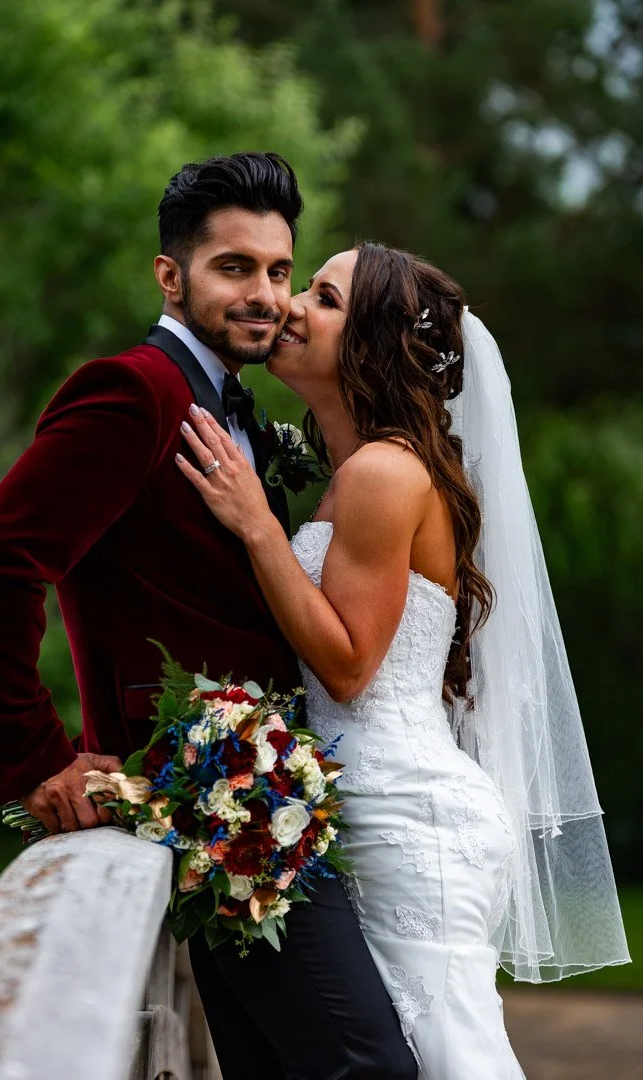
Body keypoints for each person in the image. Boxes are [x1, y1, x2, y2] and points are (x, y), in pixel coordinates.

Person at [0, 156, 418, 1080]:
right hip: (212, 797)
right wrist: (35, 762)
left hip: (257, 799)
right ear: (171, 275)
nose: (265, 296)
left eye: (278, 271)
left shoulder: (233, 408)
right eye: (233, 268)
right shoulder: (135, 392)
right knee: (369, 1067)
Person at [177, 241, 631, 1078]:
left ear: (375, 344)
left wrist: (257, 528)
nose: (290, 306)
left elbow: (350, 668)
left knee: (438, 1054)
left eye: (324, 298)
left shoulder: (385, 473)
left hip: (404, 815)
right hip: (375, 800)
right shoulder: (361, 472)